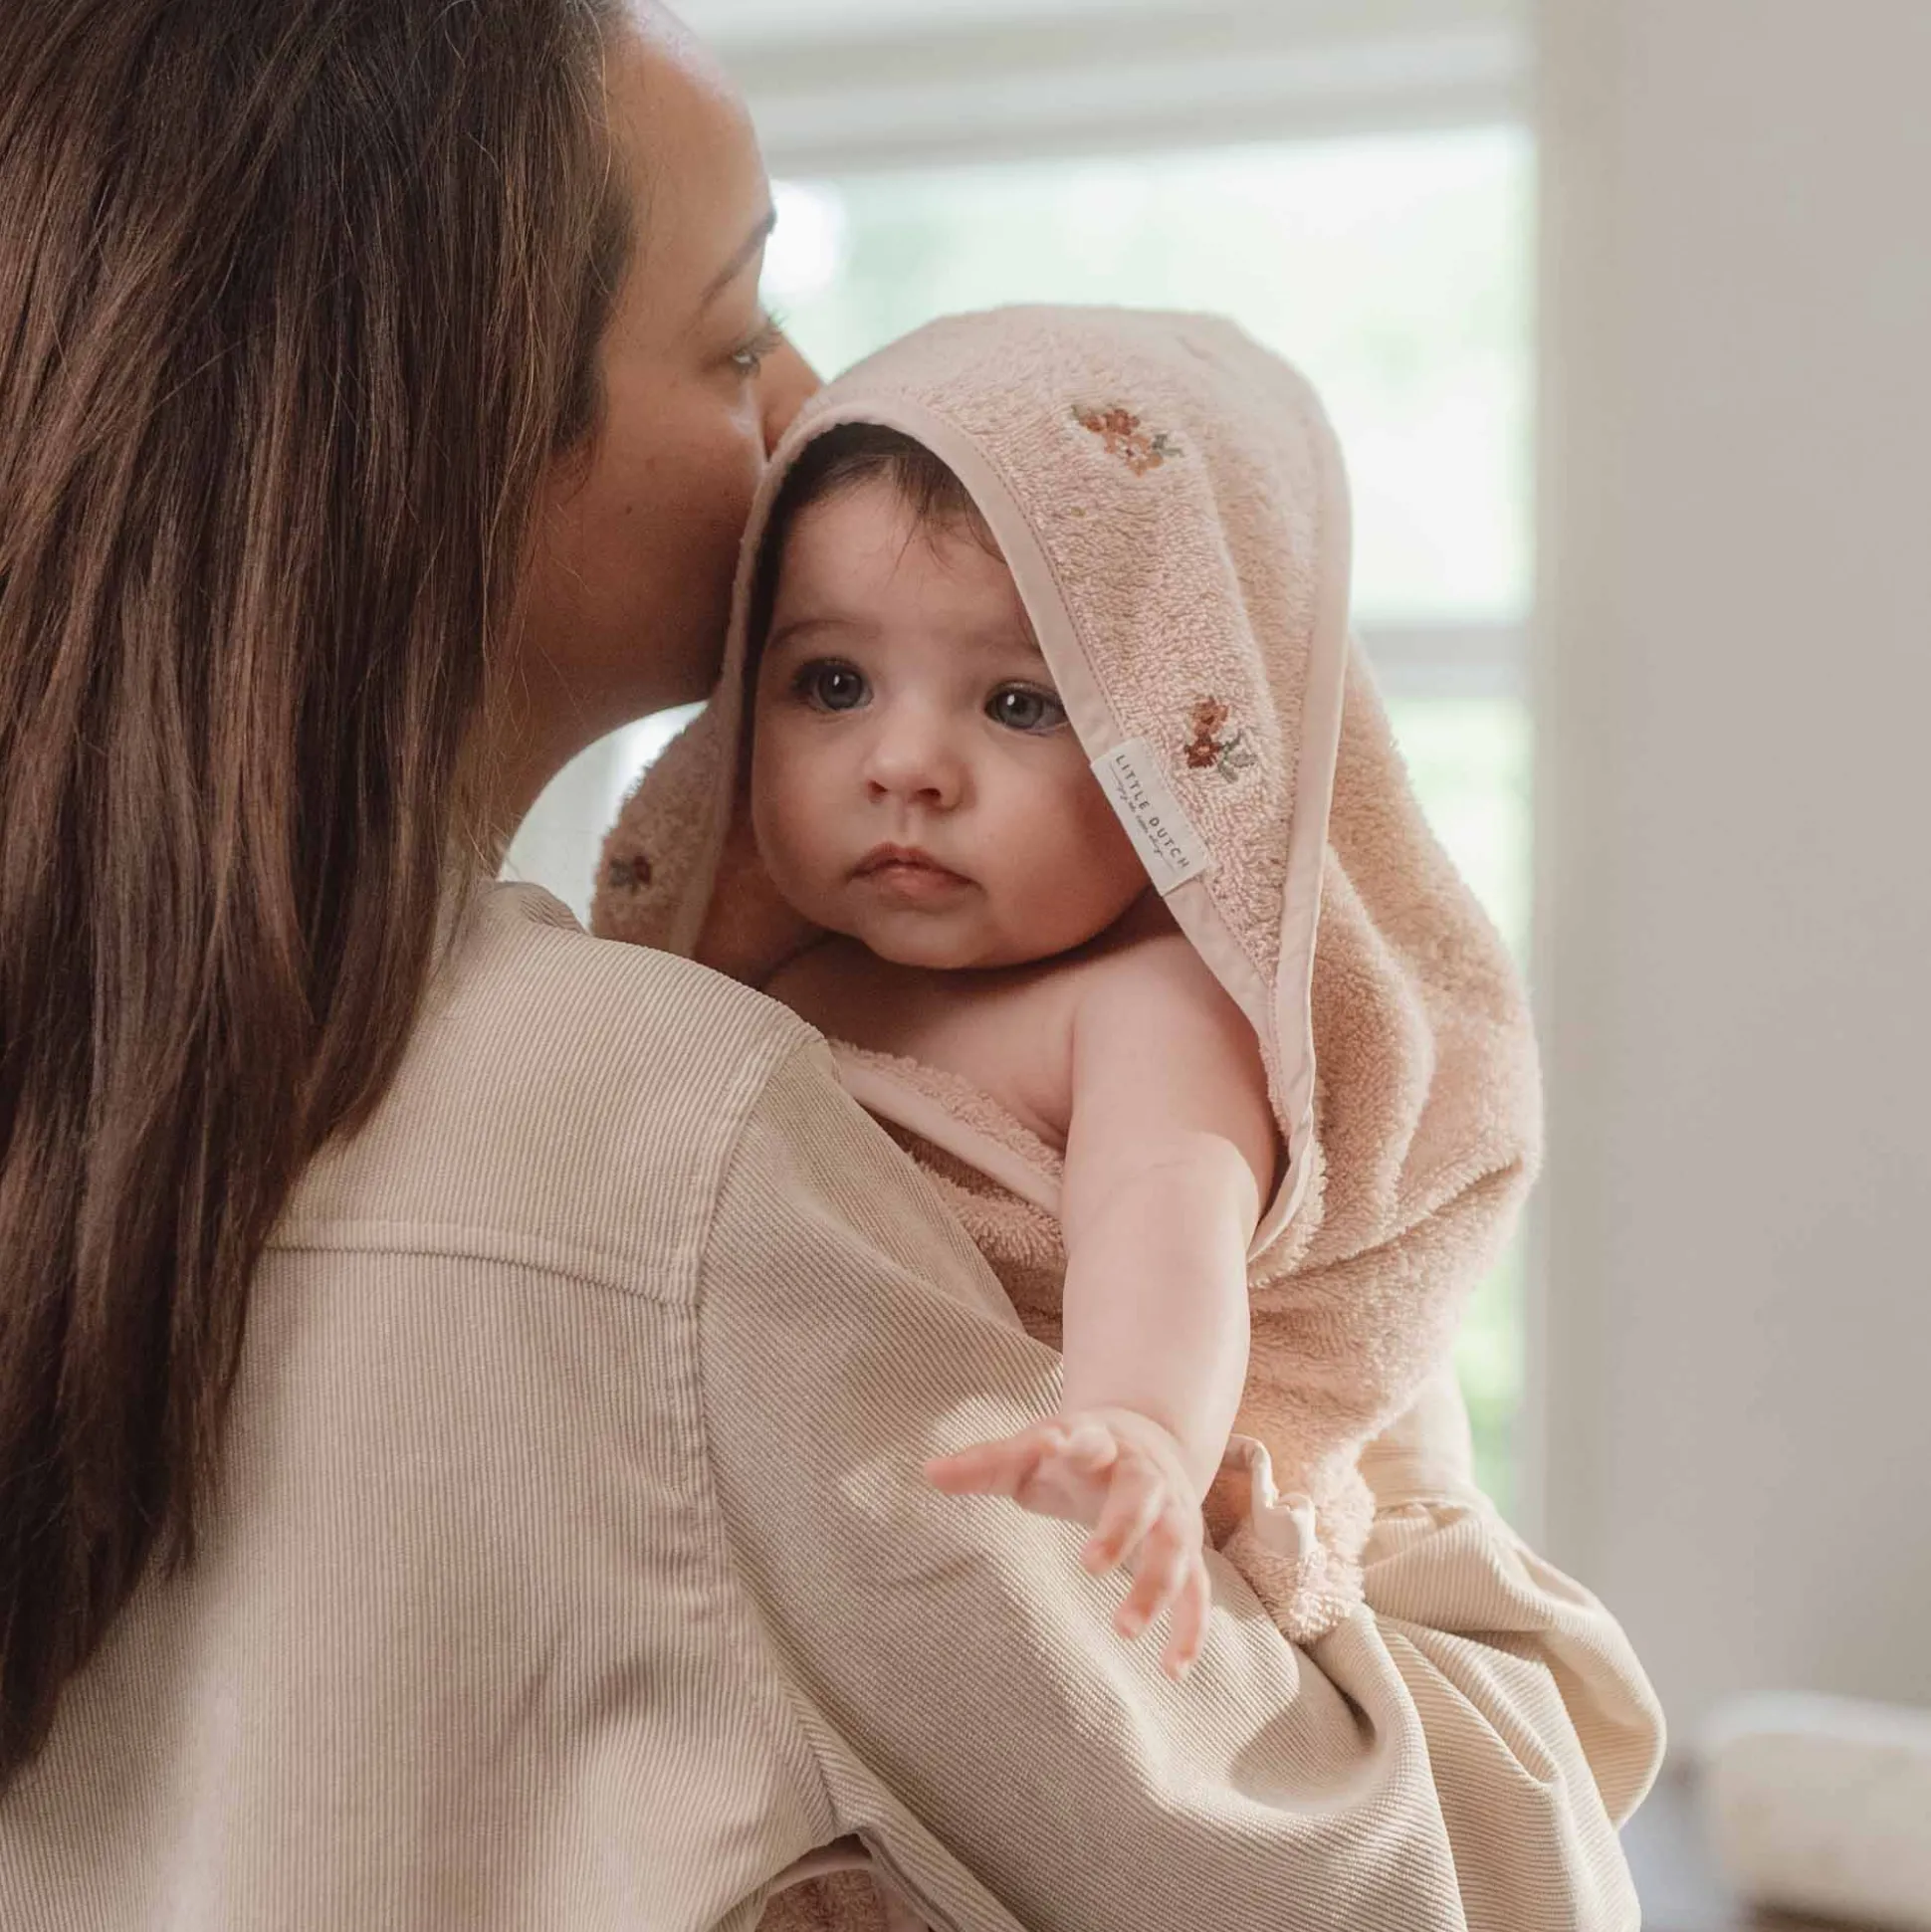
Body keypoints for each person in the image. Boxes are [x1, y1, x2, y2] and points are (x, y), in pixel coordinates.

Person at [0, 6, 1663, 1932]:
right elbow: (1415, 1890)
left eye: (1024, 695)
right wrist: (1370, 1425)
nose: (809, 406)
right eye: (732, 335)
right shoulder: (675, 1144)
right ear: (457, 426)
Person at [597, 312, 1550, 1714]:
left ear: (1179, 747)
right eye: (835, 684)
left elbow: (1163, 1224)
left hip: (1059, 1571)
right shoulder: (752, 984)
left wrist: (1135, 1432)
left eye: (1021, 702)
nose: (907, 763)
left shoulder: (1155, 1010)